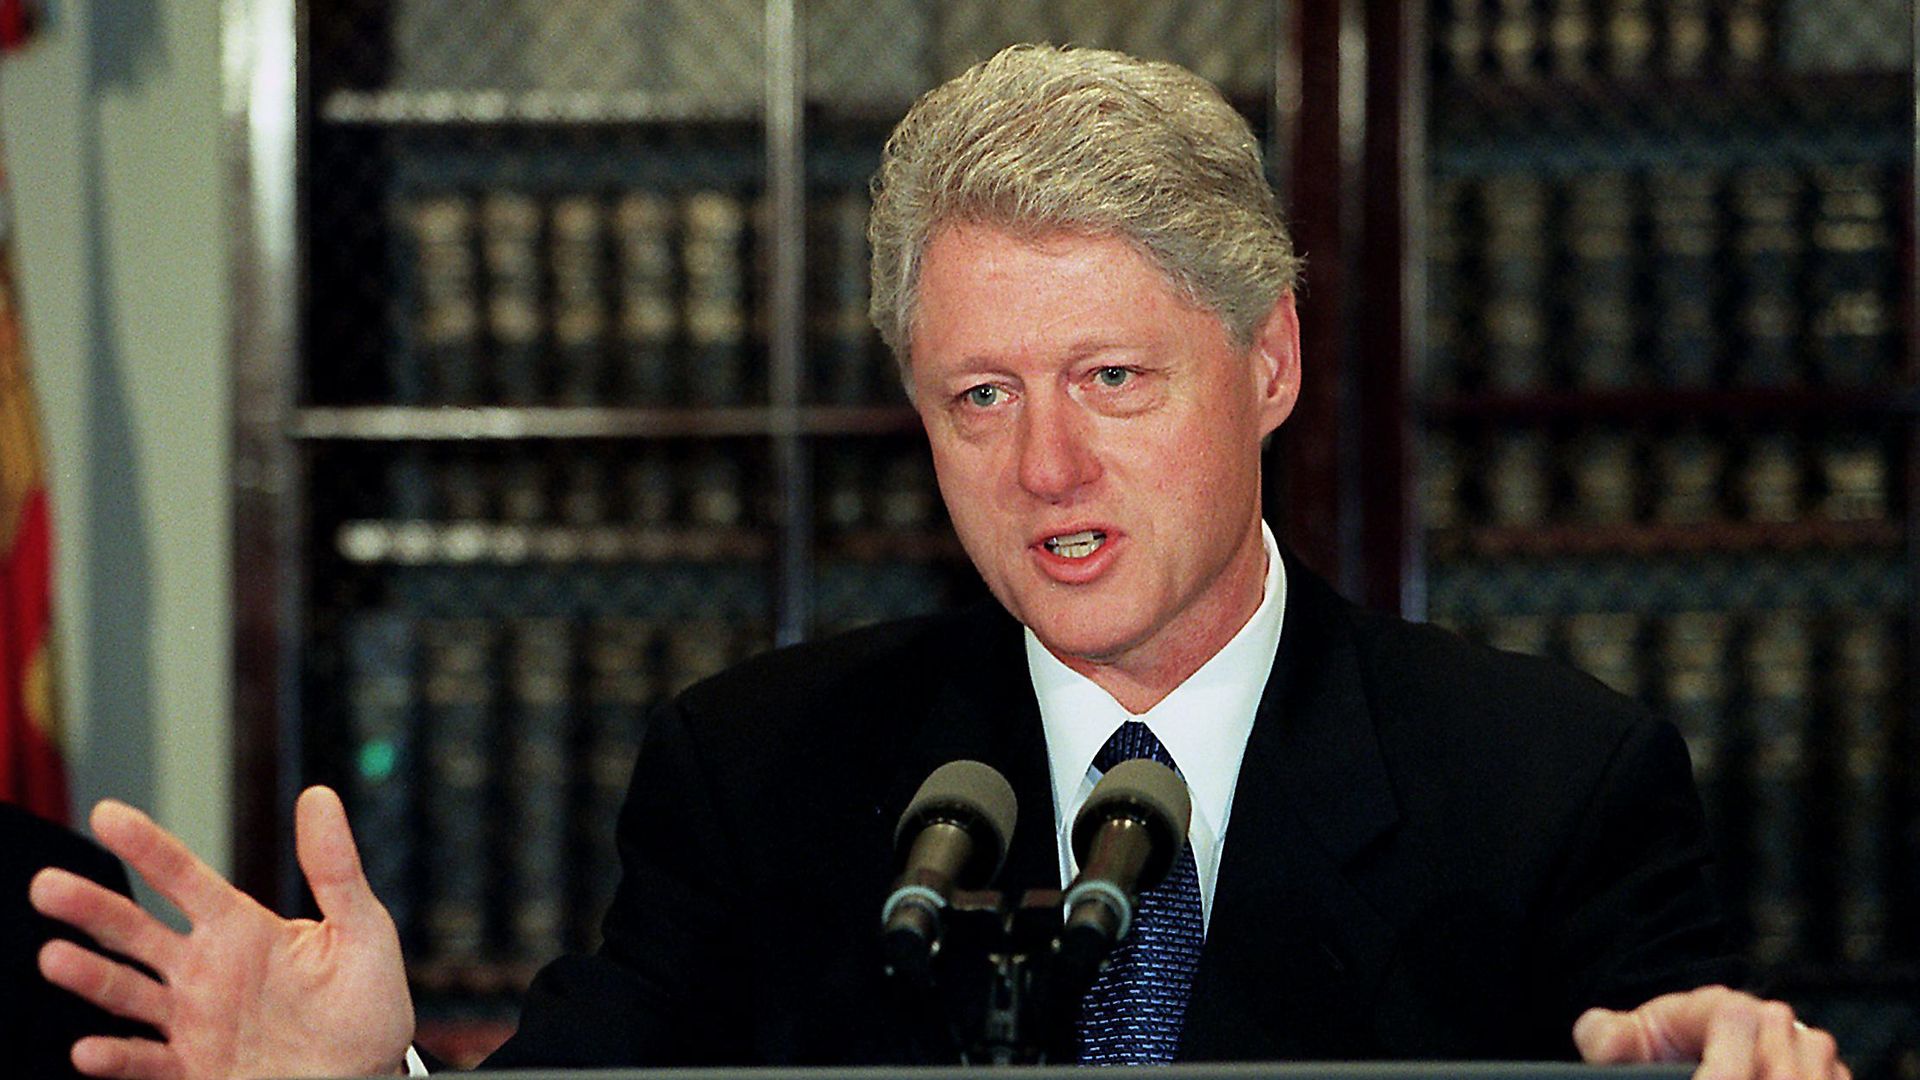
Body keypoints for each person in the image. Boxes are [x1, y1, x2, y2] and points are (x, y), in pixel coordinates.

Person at [29, 44, 1847, 1079]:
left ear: (1271, 363)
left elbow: (1672, 1049)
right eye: (978, 394)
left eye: (1113, 380)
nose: (1043, 462)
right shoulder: (760, 775)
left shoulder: (1549, 789)